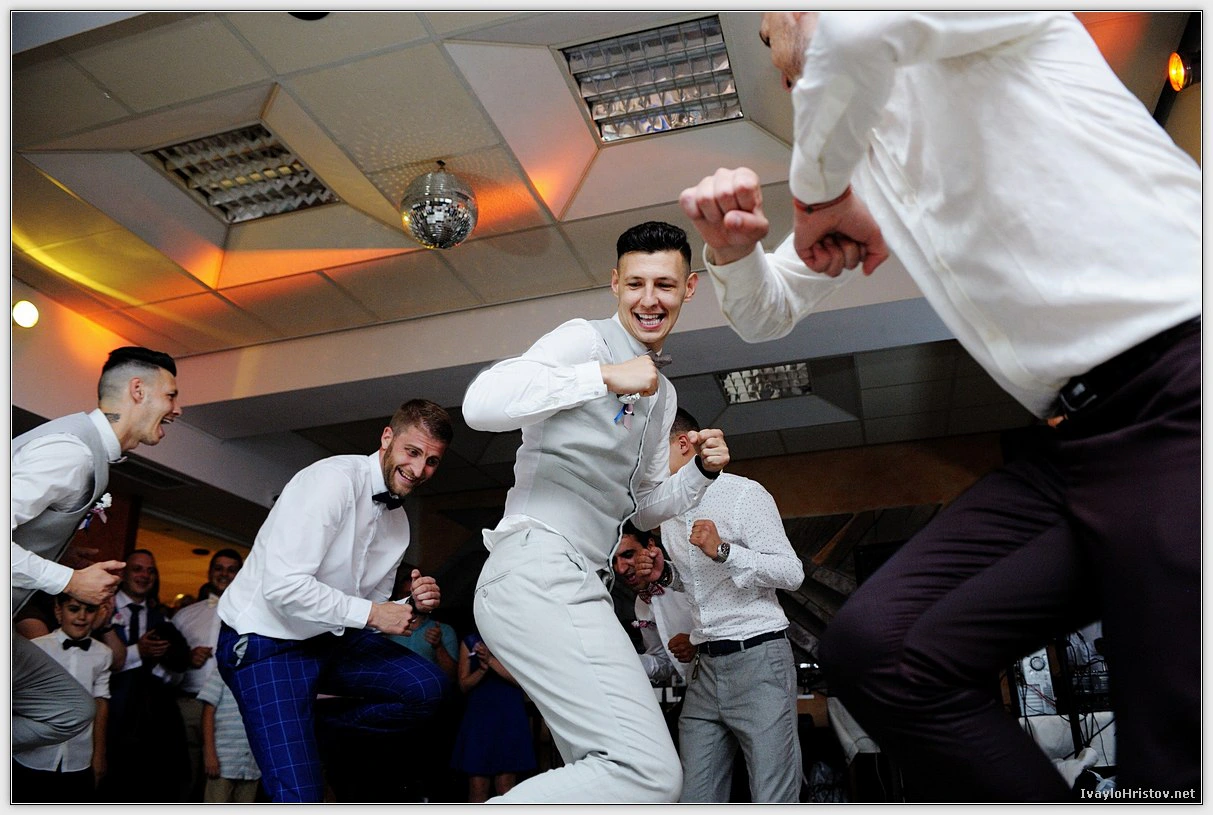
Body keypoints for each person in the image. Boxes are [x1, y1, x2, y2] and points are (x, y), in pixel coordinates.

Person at [678, 12, 1200, 801]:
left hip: (1181, 381)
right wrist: (732, 248)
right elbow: (765, 313)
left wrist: (818, 192)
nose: (773, 58)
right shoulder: (861, 164)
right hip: (1078, 444)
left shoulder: (988, 22)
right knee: (876, 648)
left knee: (1174, 759)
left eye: (768, 31)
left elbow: (853, 41)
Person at [462, 220, 731, 802]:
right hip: (537, 566)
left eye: (665, 284)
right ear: (615, 284)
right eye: (636, 283)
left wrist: (700, 476)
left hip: (578, 579)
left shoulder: (665, 397)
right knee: (648, 774)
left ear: (689, 289)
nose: (649, 299)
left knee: (608, 781)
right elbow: (480, 405)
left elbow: (644, 506)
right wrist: (602, 376)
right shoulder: (585, 341)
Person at [215, 399, 455, 802]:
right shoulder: (332, 481)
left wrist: (408, 604)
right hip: (264, 642)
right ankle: (289, 732)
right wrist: (374, 613)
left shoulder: (399, 525)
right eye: (412, 452)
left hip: (328, 641)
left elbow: (365, 610)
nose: (418, 470)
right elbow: (284, 587)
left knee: (428, 688)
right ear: (387, 438)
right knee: (302, 798)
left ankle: (303, 727)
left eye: (431, 461)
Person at [12, 346, 180, 754]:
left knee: (72, 709)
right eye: (171, 396)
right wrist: (69, 580)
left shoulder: (90, 454)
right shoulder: (71, 451)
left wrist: (62, 556)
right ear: (138, 390)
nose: (177, 410)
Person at [662, 408, 805, 803]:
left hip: (758, 658)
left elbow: (791, 573)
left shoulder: (744, 494)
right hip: (705, 668)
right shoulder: (667, 511)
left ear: (683, 444)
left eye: (651, 450)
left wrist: (724, 550)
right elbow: (696, 582)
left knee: (772, 797)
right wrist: (664, 574)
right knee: (694, 797)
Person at [102, 549, 192, 802]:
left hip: (150, 727)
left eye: (150, 571)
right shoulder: (102, 608)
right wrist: (138, 652)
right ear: (123, 574)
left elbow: (177, 674)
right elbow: (95, 661)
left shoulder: (160, 619)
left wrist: (160, 668)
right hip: (109, 717)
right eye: (138, 569)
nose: (145, 575)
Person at [12, 594, 115, 802]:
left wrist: (99, 754)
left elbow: (101, 703)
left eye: (90, 610)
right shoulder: (37, 647)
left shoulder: (103, 653)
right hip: (33, 756)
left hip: (78, 758)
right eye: (74, 609)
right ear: (59, 611)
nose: (82, 617)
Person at [170, 548, 244, 800]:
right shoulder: (185, 615)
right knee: (185, 775)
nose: (224, 574)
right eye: (219, 568)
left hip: (232, 711)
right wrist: (187, 659)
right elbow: (168, 664)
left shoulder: (253, 616)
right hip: (190, 704)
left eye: (231, 569)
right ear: (210, 572)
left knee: (224, 782)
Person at [449, 628, 537, 802]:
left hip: (508, 716)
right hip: (479, 718)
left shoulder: (515, 639)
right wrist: (481, 670)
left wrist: (490, 660)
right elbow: (463, 685)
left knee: (506, 786)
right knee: (477, 786)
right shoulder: (471, 641)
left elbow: (523, 681)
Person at [612, 522, 696, 687]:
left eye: (628, 554)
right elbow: (665, 662)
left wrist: (699, 644)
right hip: (697, 687)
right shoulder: (640, 604)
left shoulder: (687, 578)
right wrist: (626, 662)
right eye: (614, 560)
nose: (620, 569)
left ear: (650, 546)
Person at [198, 667, 261, 803]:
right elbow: (208, 712)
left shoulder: (263, 674)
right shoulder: (223, 669)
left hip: (252, 764)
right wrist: (209, 753)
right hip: (223, 762)